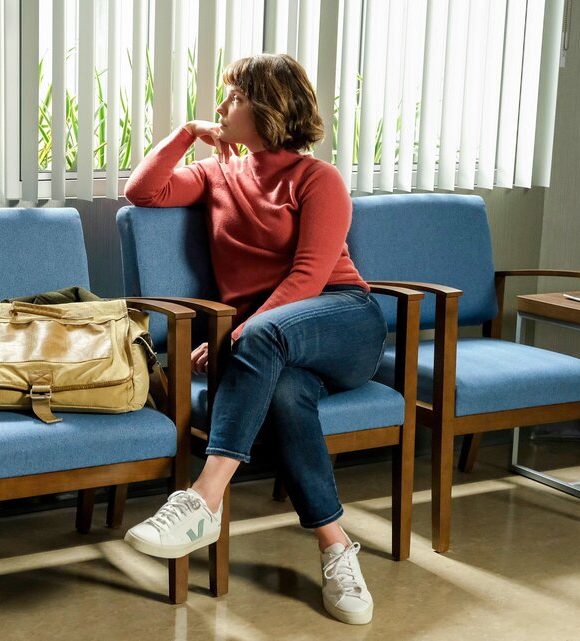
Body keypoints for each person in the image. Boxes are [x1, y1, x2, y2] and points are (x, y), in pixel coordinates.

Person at [122, 53, 387, 625]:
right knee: (286, 395)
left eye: (235, 97)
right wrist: (186, 133)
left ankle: (204, 498)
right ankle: (337, 548)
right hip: (274, 342)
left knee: (265, 339)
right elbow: (142, 192)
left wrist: (235, 337)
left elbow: (309, 277)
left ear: (270, 107)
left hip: (344, 319)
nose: (221, 107)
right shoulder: (217, 175)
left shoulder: (318, 179)